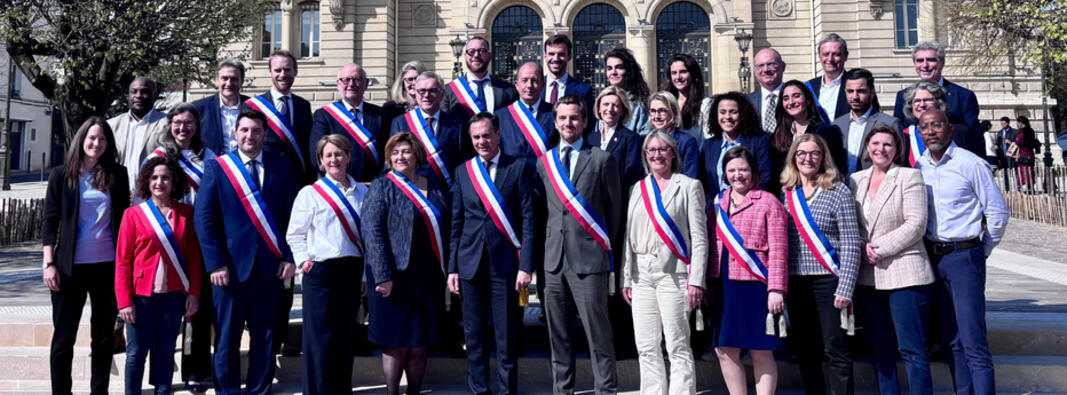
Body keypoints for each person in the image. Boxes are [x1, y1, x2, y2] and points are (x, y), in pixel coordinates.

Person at [194, 110, 300, 395]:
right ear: (235, 133)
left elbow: (294, 217)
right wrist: (214, 263)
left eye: (255, 131)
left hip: (270, 267)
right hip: (228, 269)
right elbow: (204, 219)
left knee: (265, 336)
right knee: (227, 336)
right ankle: (227, 390)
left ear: (265, 134)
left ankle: (258, 390)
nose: (249, 136)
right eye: (244, 130)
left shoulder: (281, 167)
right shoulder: (218, 168)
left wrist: (289, 257)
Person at [916, 109, 1008, 395]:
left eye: (937, 125)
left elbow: (997, 213)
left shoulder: (970, 164)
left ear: (950, 129)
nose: (931, 131)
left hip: (963, 256)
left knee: (973, 339)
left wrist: (983, 250)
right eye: (925, 127)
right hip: (933, 257)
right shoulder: (919, 166)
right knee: (951, 340)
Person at [538, 94, 622, 394]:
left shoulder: (601, 159)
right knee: (558, 337)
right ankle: (563, 391)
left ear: (586, 121)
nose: (568, 123)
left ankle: (606, 390)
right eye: (562, 118)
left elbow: (614, 214)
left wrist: (596, 246)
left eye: (574, 117)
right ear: (556, 121)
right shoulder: (544, 161)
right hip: (553, 262)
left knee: (598, 335)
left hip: (589, 260)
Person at [447, 113, 536, 395]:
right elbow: (457, 223)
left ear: (498, 135)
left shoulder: (519, 167)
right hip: (470, 264)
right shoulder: (464, 171)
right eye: (476, 137)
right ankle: (479, 390)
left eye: (486, 135)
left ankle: (507, 391)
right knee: (474, 336)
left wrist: (526, 266)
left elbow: (528, 219)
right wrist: (452, 268)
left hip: (507, 265)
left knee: (506, 335)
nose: (482, 141)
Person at [42, 118, 130, 395]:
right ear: (81, 140)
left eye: (102, 139)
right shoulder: (61, 175)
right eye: (91, 138)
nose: (96, 144)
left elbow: (124, 220)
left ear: (108, 144)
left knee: (103, 338)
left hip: (106, 267)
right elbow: (50, 221)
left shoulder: (118, 174)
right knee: (63, 338)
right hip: (69, 269)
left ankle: (99, 391)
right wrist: (49, 263)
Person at [362, 132, 451, 395]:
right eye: (396, 152)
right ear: (390, 157)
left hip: (427, 274)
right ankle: (392, 392)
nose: (401, 157)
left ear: (417, 155)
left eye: (406, 151)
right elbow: (372, 232)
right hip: (394, 276)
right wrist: (382, 276)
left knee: (419, 340)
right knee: (395, 341)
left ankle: (414, 392)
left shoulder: (433, 185)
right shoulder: (382, 186)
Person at [849, 124, 935, 395]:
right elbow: (852, 224)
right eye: (875, 143)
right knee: (880, 347)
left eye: (887, 144)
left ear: (897, 149)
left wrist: (878, 249)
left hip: (905, 272)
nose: (881, 149)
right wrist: (861, 249)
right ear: (866, 148)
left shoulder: (909, 177)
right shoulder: (856, 180)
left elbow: (916, 223)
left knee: (912, 347)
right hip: (869, 277)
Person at [621, 131, 707, 394]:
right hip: (641, 276)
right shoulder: (638, 187)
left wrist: (697, 281)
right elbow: (629, 235)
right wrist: (627, 276)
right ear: (645, 155)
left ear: (673, 153)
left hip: (675, 274)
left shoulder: (689, 186)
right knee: (646, 346)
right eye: (651, 150)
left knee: (677, 344)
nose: (656, 155)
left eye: (662, 149)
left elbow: (700, 238)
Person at [285, 134, 369, 394]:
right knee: (320, 339)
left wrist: (365, 275)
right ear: (320, 161)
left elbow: (369, 238)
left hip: (352, 270)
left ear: (349, 157)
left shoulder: (363, 191)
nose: (335, 159)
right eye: (328, 155)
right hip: (321, 272)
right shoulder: (310, 193)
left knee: (345, 336)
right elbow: (294, 234)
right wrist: (304, 263)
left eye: (339, 153)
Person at [780, 133, 861, 395]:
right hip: (795, 281)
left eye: (814, 153)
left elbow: (850, 242)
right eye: (801, 153)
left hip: (829, 281)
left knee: (835, 349)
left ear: (823, 157)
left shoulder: (838, 192)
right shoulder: (785, 193)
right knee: (806, 350)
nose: (808, 158)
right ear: (794, 157)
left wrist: (845, 288)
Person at [115, 156, 203, 395]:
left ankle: (163, 391)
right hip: (140, 295)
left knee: (165, 349)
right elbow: (123, 262)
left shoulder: (187, 213)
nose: (159, 182)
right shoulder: (132, 215)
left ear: (174, 182)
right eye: (154, 178)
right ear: (146, 181)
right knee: (136, 352)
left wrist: (194, 293)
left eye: (165, 177)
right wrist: (123, 302)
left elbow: (194, 258)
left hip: (173, 295)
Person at [710, 146, 788, 395]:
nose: (737, 175)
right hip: (724, 284)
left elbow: (779, 250)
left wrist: (776, 289)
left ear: (754, 172)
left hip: (756, 285)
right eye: (731, 170)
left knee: (760, 348)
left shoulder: (768, 201)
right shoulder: (718, 202)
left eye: (743, 169)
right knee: (725, 348)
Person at [892, 41, 982, 155]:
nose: (925, 65)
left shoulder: (963, 96)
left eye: (931, 60)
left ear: (942, 62)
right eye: (920, 60)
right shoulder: (903, 96)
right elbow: (898, 136)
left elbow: (974, 139)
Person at [241, 49, 315, 185]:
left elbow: (307, 145)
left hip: (298, 180)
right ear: (270, 72)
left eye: (287, 70)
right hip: (266, 179)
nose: (283, 74)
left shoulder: (304, 106)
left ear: (295, 71)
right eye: (277, 70)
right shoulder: (252, 106)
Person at [310, 63, 392, 182]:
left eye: (357, 79)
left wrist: (379, 180)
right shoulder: (324, 115)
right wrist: (341, 181)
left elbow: (389, 153)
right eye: (346, 80)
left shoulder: (381, 115)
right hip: (340, 186)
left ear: (366, 83)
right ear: (338, 84)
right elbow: (317, 155)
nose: (351, 84)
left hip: (374, 185)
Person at [390, 71, 468, 187]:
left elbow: (463, 161)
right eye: (422, 91)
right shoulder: (400, 122)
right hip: (413, 190)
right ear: (416, 94)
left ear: (442, 94)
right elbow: (393, 159)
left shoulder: (457, 124)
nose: (426, 95)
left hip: (447, 191)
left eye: (432, 91)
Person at [770, 80, 847, 194]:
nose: (791, 102)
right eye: (786, 98)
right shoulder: (778, 135)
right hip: (788, 197)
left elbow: (835, 169)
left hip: (819, 194)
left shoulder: (827, 132)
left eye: (796, 96)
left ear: (807, 100)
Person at [700, 92, 773, 199]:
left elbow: (764, 180)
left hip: (751, 207)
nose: (727, 117)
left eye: (733, 112)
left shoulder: (759, 142)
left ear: (742, 114)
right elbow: (704, 183)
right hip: (716, 211)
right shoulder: (709, 145)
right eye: (723, 112)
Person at [832, 69, 902, 177]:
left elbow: (899, 163)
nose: (855, 97)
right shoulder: (837, 124)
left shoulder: (890, 123)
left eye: (861, 91)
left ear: (872, 93)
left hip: (875, 188)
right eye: (850, 91)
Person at [109, 76, 168, 193]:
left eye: (144, 91)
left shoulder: (167, 124)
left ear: (154, 95)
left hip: (152, 196)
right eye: (134, 91)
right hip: (118, 193)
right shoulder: (112, 125)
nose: (138, 95)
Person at [151, 103, 217, 205]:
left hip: (199, 217)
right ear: (170, 125)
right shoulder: (157, 157)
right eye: (177, 123)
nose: (182, 128)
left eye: (188, 123)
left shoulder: (208, 156)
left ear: (196, 125)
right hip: (167, 216)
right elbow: (143, 194)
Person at [496, 62, 559, 165]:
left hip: (544, 179)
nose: (529, 86)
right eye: (524, 80)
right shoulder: (500, 116)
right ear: (516, 85)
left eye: (534, 81)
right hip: (513, 179)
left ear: (542, 85)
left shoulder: (554, 113)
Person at [443, 37, 518, 119]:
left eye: (482, 51)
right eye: (471, 51)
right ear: (465, 56)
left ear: (490, 56)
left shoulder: (508, 90)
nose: (476, 55)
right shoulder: (448, 91)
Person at [899, 81, 971, 167]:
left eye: (928, 100)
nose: (922, 105)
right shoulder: (904, 136)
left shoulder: (959, 133)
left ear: (939, 103)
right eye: (917, 101)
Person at [589, 86, 644, 189]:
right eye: (605, 104)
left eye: (615, 105)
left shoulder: (631, 139)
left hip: (618, 199)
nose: (610, 109)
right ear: (599, 109)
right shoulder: (590, 138)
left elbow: (631, 176)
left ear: (622, 111)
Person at [192, 59, 250, 157]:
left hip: (245, 168)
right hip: (212, 168)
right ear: (217, 81)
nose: (229, 83)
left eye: (234, 79)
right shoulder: (199, 109)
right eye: (224, 78)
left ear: (242, 81)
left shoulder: (253, 107)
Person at [543, 34, 596, 131]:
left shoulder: (583, 90)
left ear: (569, 56)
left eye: (561, 54)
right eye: (551, 54)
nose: (556, 58)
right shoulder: (535, 88)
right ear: (545, 56)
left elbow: (589, 126)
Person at [662, 54, 712, 144]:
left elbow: (708, 139)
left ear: (693, 74)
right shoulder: (665, 103)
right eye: (674, 73)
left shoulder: (705, 105)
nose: (678, 77)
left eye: (683, 72)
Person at [648, 91, 699, 178]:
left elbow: (690, 178)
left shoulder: (687, 142)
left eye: (662, 111)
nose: (657, 116)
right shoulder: (645, 141)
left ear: (674, 113)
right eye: (653, 111)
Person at [604, 47, 651, 135]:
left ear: (628, 70)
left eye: (619, 67)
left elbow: (644, 136)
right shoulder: (602, 101)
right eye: (609, 68)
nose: (613, 72)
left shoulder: (640, 104)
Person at [806, 34, 851, 122]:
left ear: (845, 56)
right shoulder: (809, 87)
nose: (830, 59)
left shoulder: (857, 86)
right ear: (819, 56)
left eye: (836, 54)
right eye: (826, 54)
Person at [747, 48, 786, 134]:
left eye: (771, 64)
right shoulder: (747, 102)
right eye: (760, 65)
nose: (766, 70)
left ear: (783, 66)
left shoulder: (796, 97)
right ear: (755, 71)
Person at [1014, 116, 1040, 191]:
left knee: (1023, 169)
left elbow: (1019, 141)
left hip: (1023, 152)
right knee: (1030, 169)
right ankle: (1030, 186)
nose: (1017, 124)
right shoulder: (1031, 130)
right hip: (1030, 153)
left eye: (1018, 122)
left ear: (1020, 122)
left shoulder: (1021, 131)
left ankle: (1023, 186)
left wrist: (1015, 141)